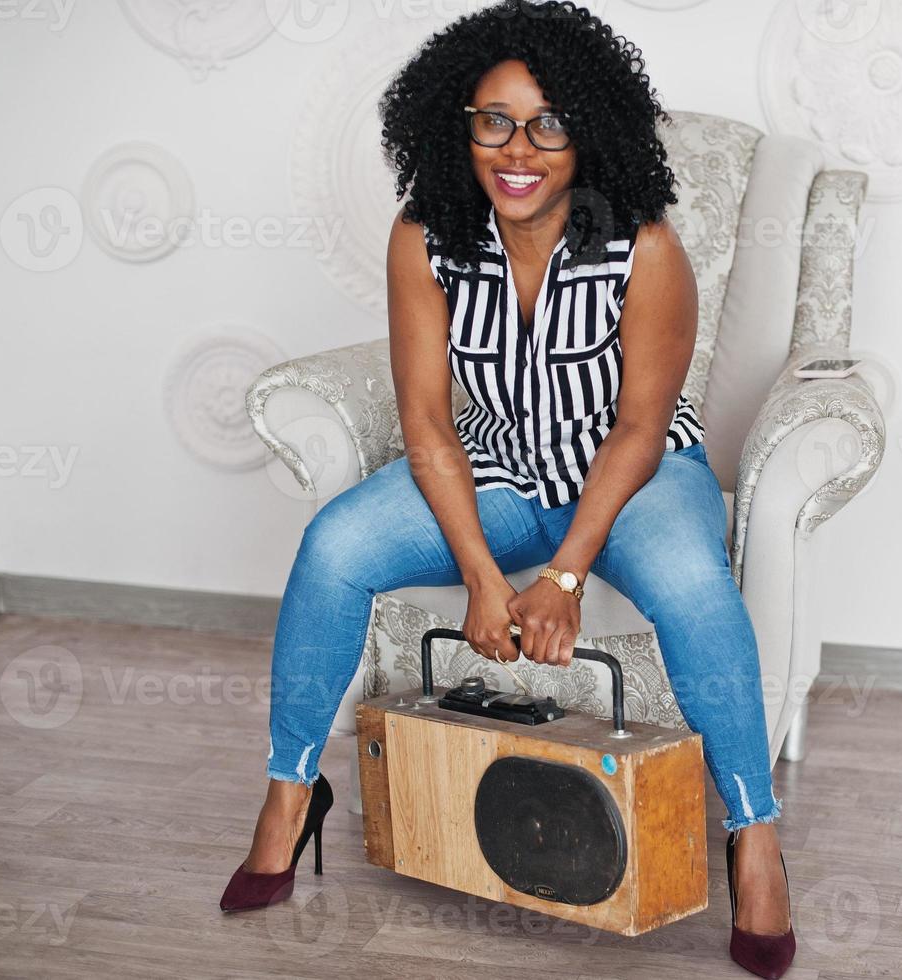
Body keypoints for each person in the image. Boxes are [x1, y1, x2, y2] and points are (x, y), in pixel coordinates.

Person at [222, 3, 794, 976]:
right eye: (493, 120)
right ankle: (289, 790)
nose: (517, 147)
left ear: (588, 130)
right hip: (490, 472)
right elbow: (430, 425)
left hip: (633, 478)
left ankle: (753, 832)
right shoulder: (425, 238)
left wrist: (564, 577)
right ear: (459, 124)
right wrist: (485, 577)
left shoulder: (644, 250)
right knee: (334, 544)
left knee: (698, 585)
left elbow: (637, 428)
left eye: (547, 123)